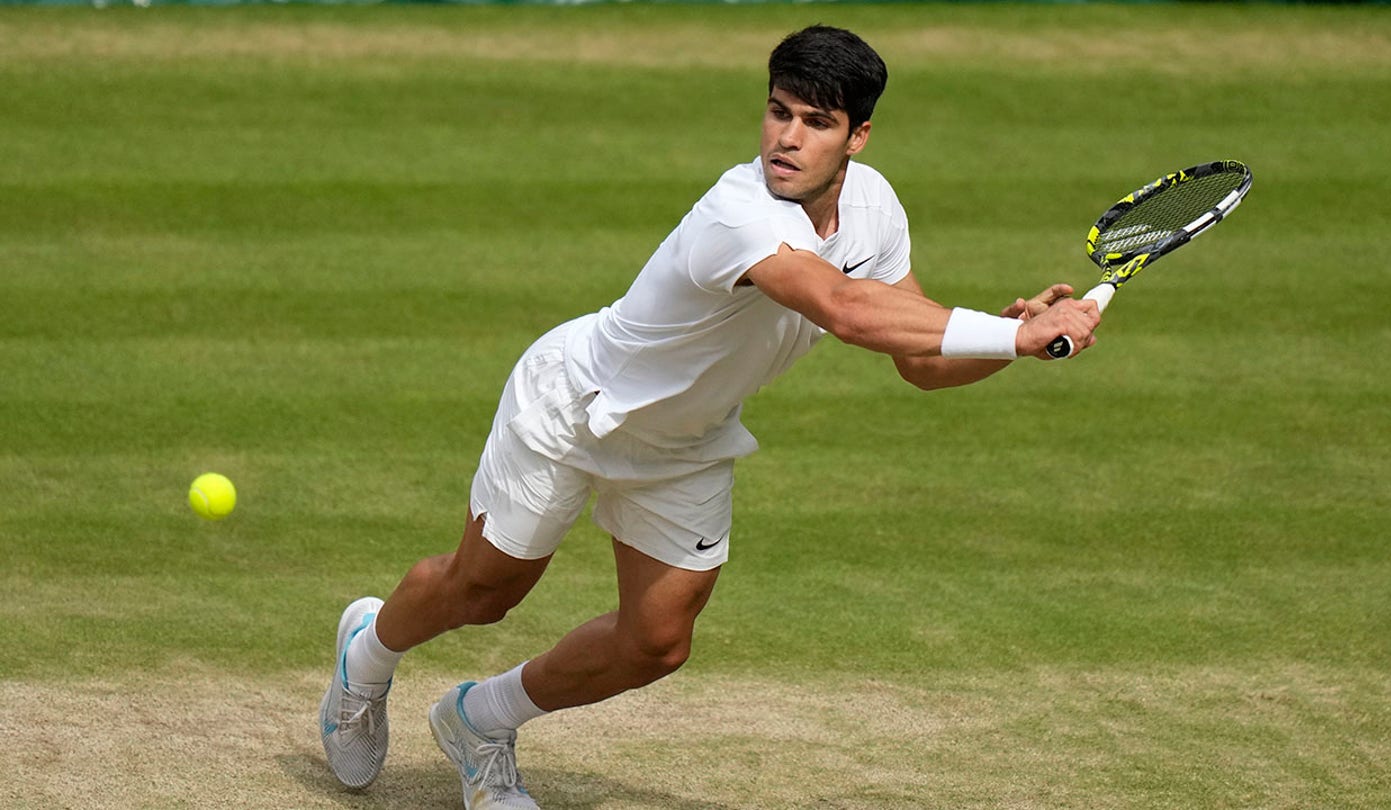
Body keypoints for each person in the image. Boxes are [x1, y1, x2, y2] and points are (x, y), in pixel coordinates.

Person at [318, 24, 1099, 809]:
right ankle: (369, 655)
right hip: (575, 407)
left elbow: (923, 361)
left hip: (685, 442)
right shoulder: (740, 210)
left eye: (816, 122)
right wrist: (1016, 331)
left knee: (657, 642)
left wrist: (1018, 345)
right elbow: (848, 310)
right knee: (485, 591)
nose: (787, 139)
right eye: (778, 111)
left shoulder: (876, 209)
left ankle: (480, 721)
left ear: (859, 136)